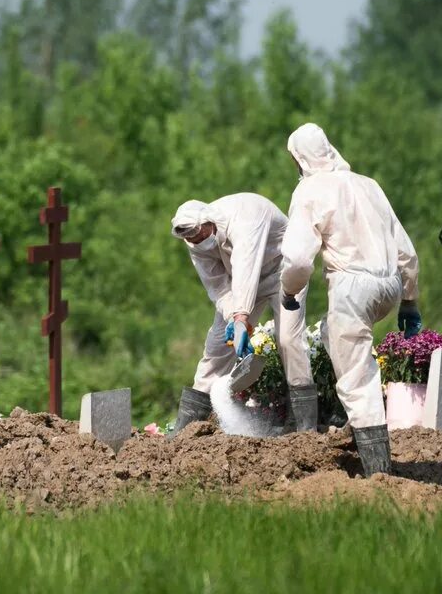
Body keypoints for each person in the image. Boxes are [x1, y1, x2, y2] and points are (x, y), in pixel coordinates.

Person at [279, 123, 421, 477]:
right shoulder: (368, 185)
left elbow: (297, 260)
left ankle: (379, 469)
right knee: (333, 336)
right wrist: (409, 299)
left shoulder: (310, 190)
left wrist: (288, 290)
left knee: (357, 376)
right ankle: (355, 420)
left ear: (299, 158)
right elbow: (405, 249)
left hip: (352, 288)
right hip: (388, 285)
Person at [169, 193, 314, 434]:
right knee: (216, 347)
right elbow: (216, 285)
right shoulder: (193, 241)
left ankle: (304, 427)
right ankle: (188, 428)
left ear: (209, 223)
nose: (197, 241)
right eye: (192, 239)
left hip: (282, 274)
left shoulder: (245, 216)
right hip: (242, 286)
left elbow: (247, 264)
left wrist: (240, 318)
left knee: (289, 341)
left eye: (200, 235)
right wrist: (231, 317)